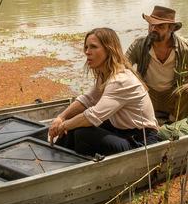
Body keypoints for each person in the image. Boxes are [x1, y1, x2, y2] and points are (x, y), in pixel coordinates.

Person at [48, 28, 161, 156]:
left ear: (109, 50)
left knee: (82, 133)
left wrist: (64, 126)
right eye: (86, 47)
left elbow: (93, 116)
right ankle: (55, 155)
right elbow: (88, 100)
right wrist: (61, 117)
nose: (87, 52)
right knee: (75, 125)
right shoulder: (105, 75)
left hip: (141, 141)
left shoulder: (120, 80)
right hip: (121, 131)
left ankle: (76, 165)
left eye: (93, 47)